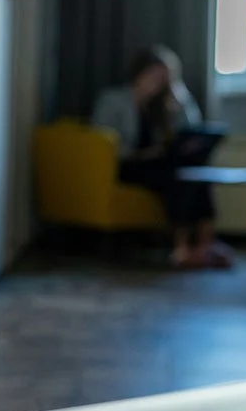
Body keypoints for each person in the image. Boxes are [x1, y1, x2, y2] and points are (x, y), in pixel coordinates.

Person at [92, 45, 232, 268]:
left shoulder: (167, 103)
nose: (157, 82)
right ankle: (183, 246)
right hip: (129, 164)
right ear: (139, 73)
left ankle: (204, 244)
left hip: (162, 163)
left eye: (163, 78)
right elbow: (101, 141)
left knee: (193, 171)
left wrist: (178, 103)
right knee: (180, 175)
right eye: (153, 76)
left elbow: (190, 131)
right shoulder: (114, 100)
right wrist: (142, 153)